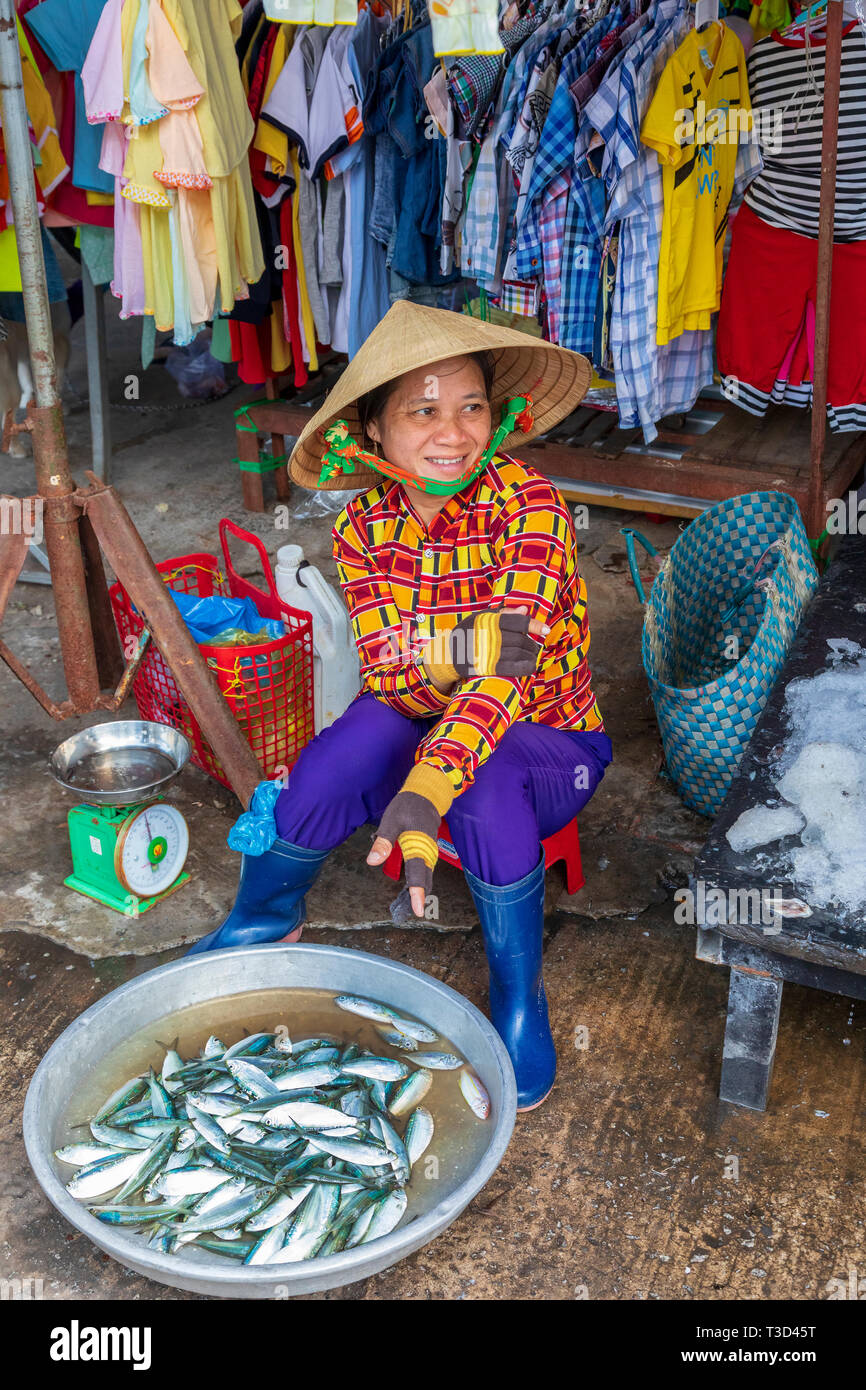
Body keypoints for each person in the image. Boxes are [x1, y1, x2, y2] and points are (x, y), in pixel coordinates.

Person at [190, 300, 612, 1110]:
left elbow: (508, 675)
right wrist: (463, 657)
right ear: (373, 431)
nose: (453, 434)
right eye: (422, 411)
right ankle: (265, 914)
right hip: (426, 713)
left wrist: (428, 779)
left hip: (551, 744)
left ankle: (519, 999)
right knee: (334, 761)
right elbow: (390, 676)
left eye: (471, 408)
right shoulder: (361, 527)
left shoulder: (533, 509)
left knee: (484, 782)